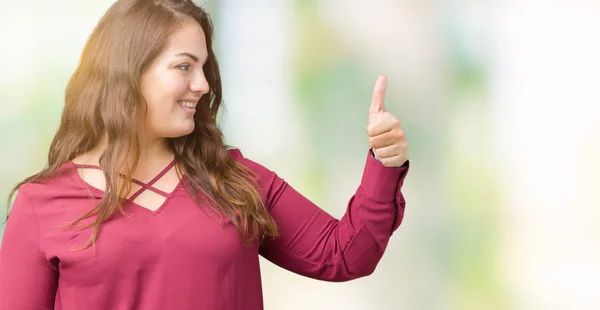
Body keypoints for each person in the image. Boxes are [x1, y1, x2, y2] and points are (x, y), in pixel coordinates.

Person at [0, 0, 409, 309]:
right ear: (127, 72)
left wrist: (384, 164)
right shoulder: (42, 205)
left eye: (204, 67)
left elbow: (343, 254)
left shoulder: (235, 179)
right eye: (184, 67)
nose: (202, 84)